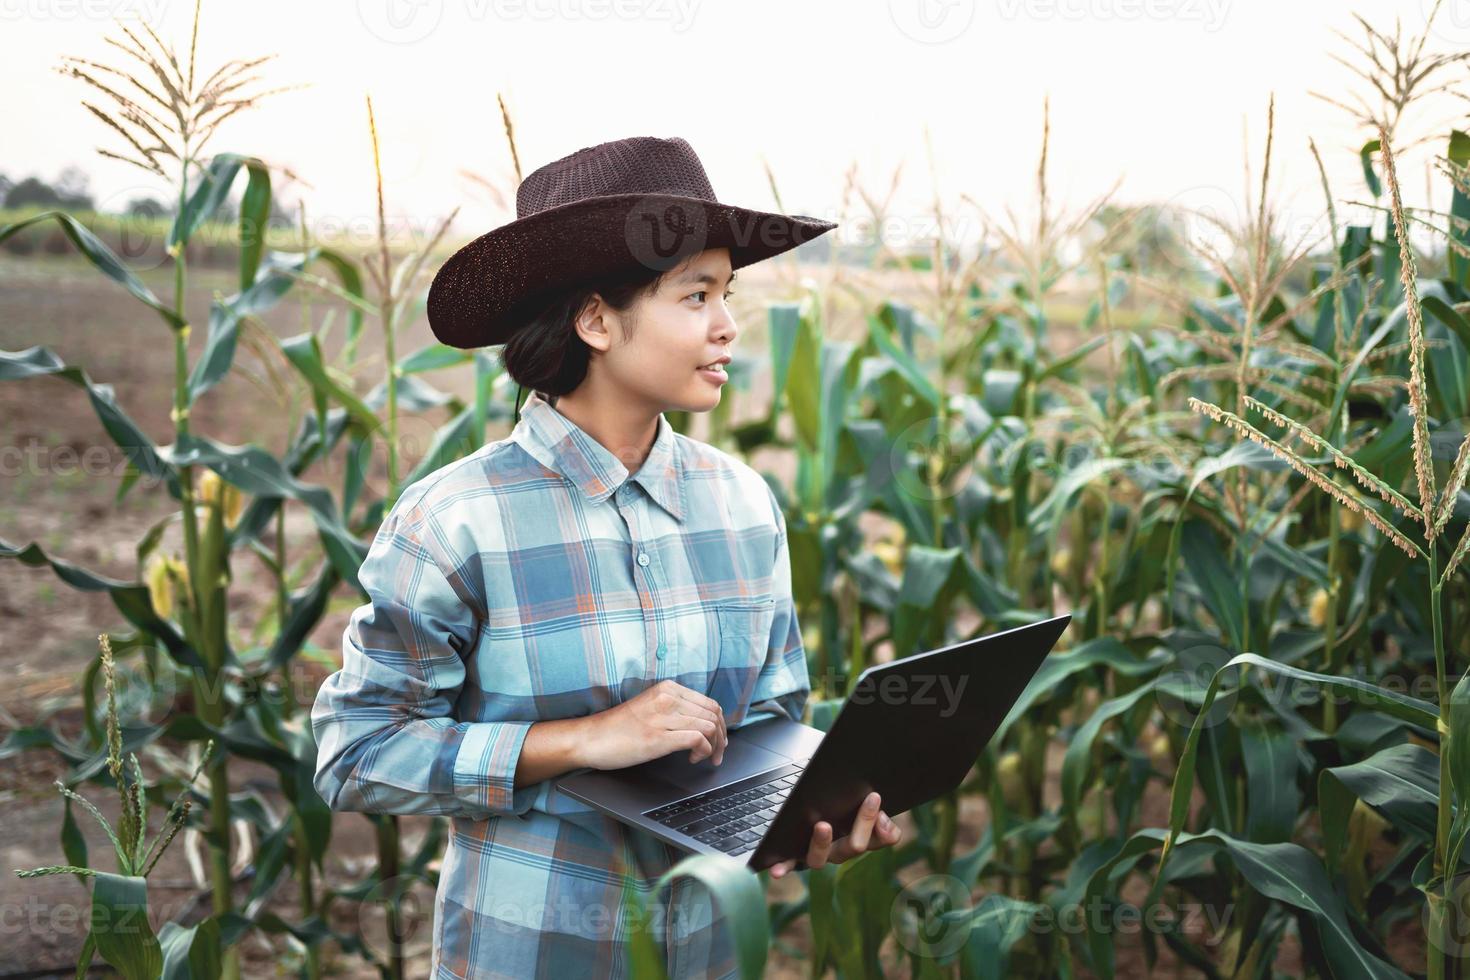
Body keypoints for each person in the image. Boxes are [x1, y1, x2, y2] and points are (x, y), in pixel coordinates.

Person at [311, 136, 902, 979]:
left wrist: (812, 819)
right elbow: (356, 751)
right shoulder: (457, 520)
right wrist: (584, 740)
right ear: (595, 319)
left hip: (709, 953)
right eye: (695, 295)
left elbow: (771, 724)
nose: (728, 324)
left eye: (727, 292)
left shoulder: (742, 507)